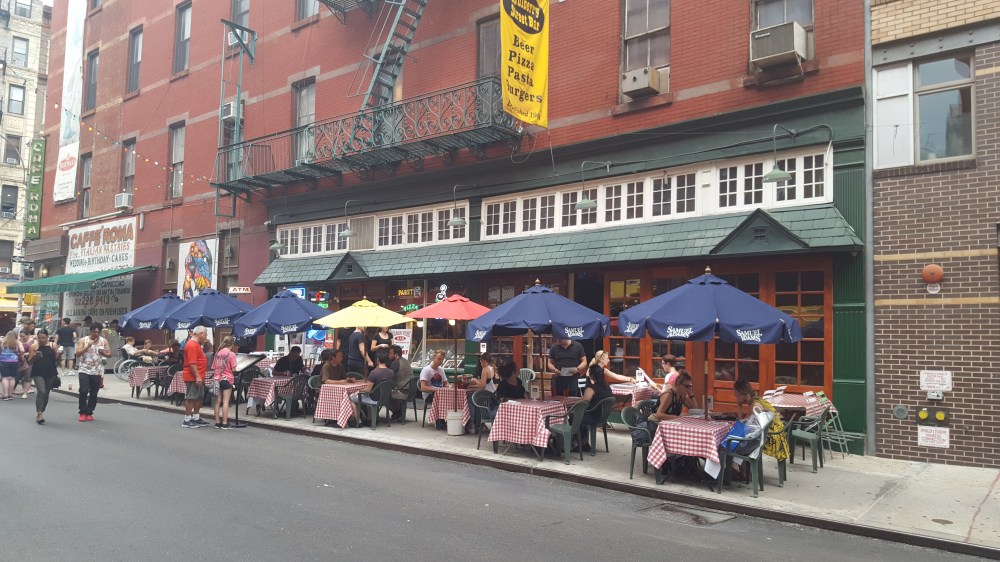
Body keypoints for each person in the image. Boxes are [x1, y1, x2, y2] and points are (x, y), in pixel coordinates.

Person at [733, 380, 788, 462]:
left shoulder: (755, 407)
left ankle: (739, 471)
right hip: (777, 434)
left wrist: (739, 405)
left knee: (733, 444)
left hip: (772, 438)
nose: (734, 396)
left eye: (736, 394)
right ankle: (743, 471)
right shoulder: (757, 400)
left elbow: (743, 425)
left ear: (743, 394)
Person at [76, 323, 111, 422]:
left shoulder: (104, 341)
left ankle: (89, 411)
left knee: (94, 392)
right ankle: (82, 412)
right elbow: (77, 354)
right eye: (94, 332)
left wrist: (103, 353)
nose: (96, 334)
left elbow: (110, 354)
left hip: (97, 370)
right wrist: (87, 347)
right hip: (84, 369)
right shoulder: (83, 340)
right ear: (90, 331)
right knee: (83, 390)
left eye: (98, 332)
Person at [579, 360, 616, 452]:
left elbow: (583, 404)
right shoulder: (607, 387)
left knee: (574, 417)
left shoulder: (591, 388)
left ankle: (579, 443)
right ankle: (582, 442)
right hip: (603, 417)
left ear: (591, 375)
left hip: (593, 417)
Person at [351, 350, 396, 423]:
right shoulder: (391, 372)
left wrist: (358, 391)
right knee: (365, 396)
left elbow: (368, 390)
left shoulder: (374, 373)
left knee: (350, 397)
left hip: (374, 399)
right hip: (385, 398)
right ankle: (369, 418)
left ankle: (358, 420)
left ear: (377, 359)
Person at [28, 329, 60, 425]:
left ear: (47, 337)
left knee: (46, 393)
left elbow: (57, 359)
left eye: (43, 338)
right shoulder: (34, 346)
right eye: (39, 338)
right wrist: (34, 356)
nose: (41, 340)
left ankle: (42, 410)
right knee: (41, 391)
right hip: (38, 372)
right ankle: (39, 413)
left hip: (50, 372)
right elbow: (29, 362)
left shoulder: (52, 345)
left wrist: (59, 354)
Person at [181, 326, 210, 428]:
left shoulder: (197, 344)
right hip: (193, 376)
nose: (206, 336)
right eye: (205, 334)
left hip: (199, 376)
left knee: (199, 397)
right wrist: (197, 376)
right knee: (192, 397)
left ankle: (196, 417)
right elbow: (192, 363)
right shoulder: (192, 345)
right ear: (200, 333)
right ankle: (187, 419)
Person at [212, 336, 237, 429]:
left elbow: (214, 367)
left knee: (217, 402)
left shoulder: (218, 353)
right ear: (232, 344)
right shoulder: (231, 354)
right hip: (227, 379)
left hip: (217, 379)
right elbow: (234, 369)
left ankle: (217, 422)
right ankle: (225, 423)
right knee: (225, 402)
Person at [418, 350, 449, 428]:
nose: (441, 361)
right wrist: (437, 390)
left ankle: (447, 420)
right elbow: (423, 387)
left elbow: (446, 383)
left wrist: (448, 387)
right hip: (429, 395)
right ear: (433, 358)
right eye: (439, 359)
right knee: (440, 396)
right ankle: (439, 421)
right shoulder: (426, 370)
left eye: (442, 359)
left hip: (441, 394)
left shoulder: (441, 369)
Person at [388, 345, 413, 422]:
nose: (389, 355)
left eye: (390, 353)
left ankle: (397, 412)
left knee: (383, 394)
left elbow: (388, 378)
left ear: (396, 355)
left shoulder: (395, 363)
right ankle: (398, 411)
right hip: (411, 392)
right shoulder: (406, 361)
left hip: (403, 392)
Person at [0, 331, 20, 400]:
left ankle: (5, 394)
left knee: (5, 378)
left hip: (4, 361)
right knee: (12, 378)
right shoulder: (17, 342)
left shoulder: (3, 342)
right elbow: (22, 350)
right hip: (14, 361)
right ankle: (10, 394)